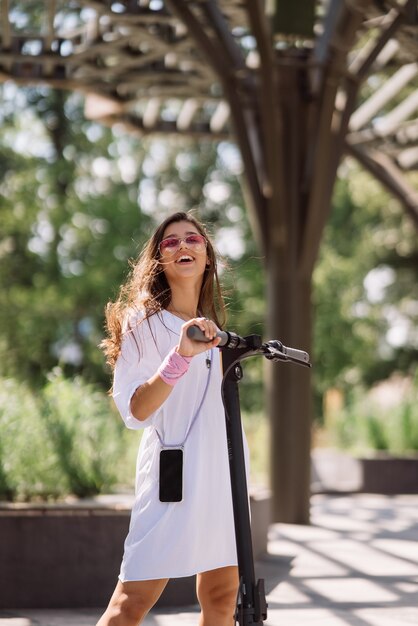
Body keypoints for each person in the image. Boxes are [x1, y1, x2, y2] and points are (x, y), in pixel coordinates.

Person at [97, 211, 249, 626]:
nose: (182, 245)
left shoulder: (218, 331)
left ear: (208, 257)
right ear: (159, 259)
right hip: (172, 477)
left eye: (193, 239)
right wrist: (179, 357)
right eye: (170, 242)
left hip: (221, 474)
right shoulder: (142, 324)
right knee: (130, 604)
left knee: (221, 597)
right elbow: (135, 410)